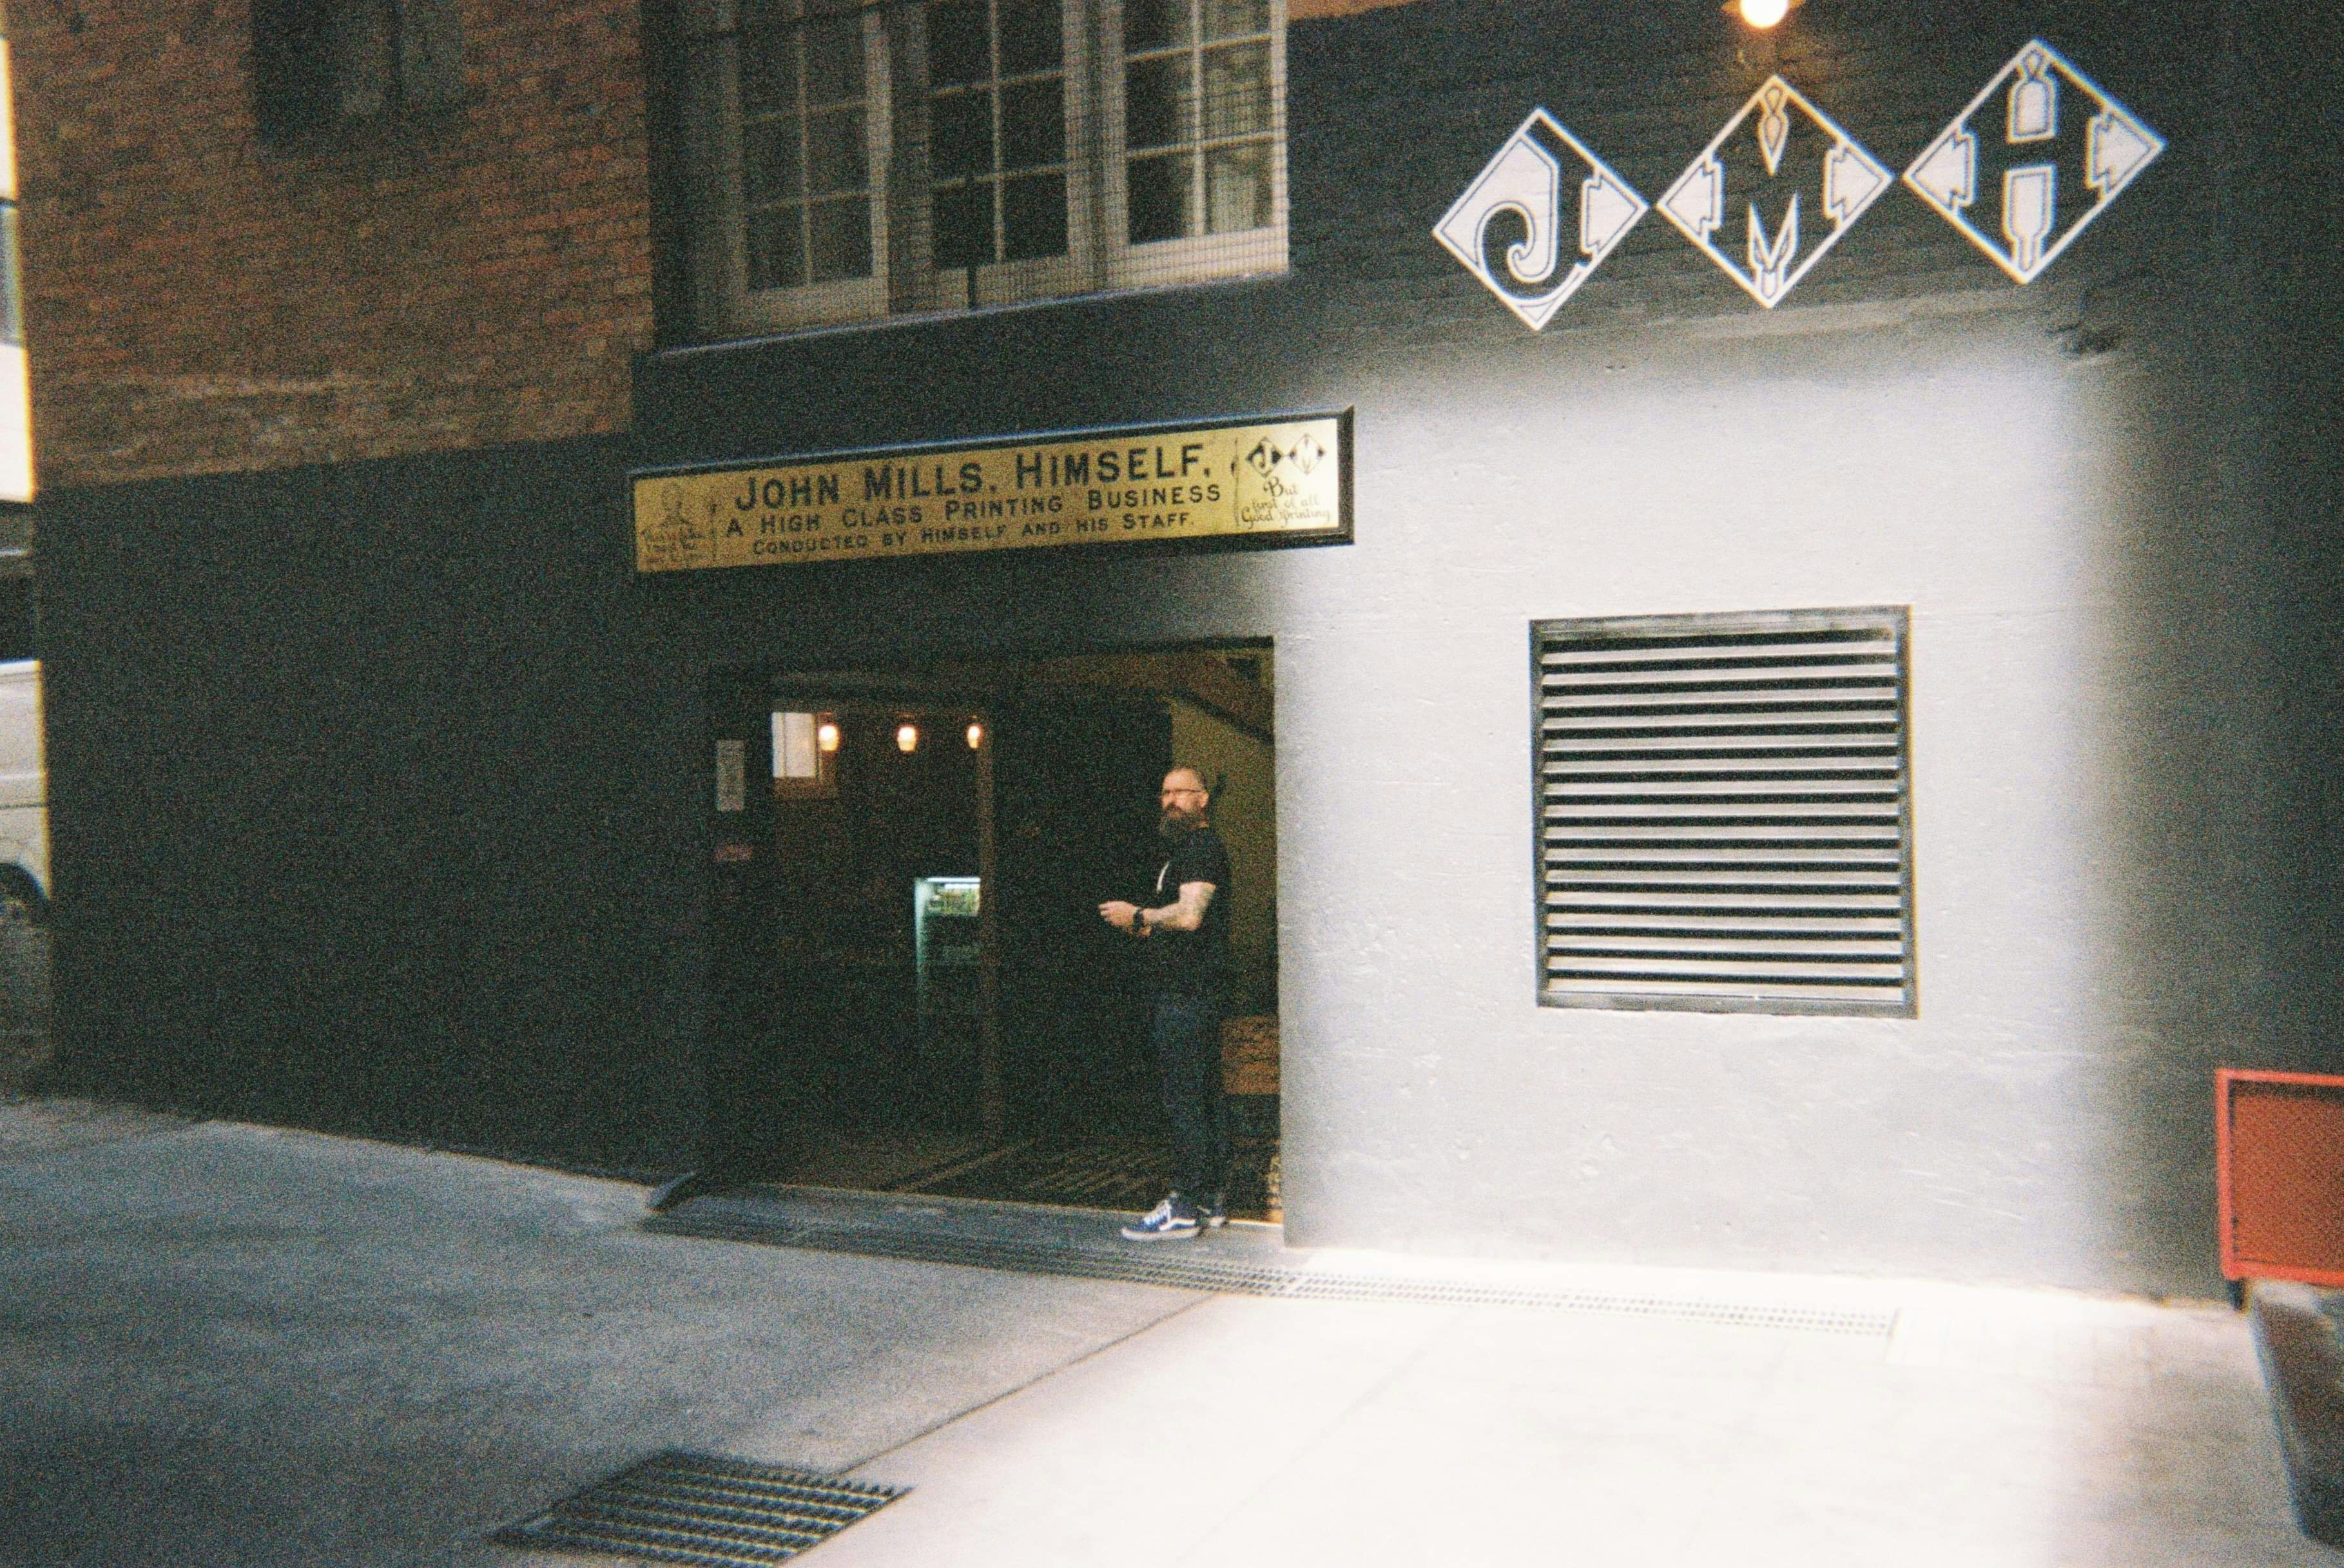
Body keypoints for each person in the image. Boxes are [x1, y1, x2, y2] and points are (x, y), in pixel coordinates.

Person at [1098, 766, 1232, 1241]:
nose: (1171, 800)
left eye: (1182, 792)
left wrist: (1138, 913)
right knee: (1200, 1095)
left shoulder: (1200, 849)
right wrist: (1143, 923)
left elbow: (1192, 915)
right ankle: (1210, 1196)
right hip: (1187, 991)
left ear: (1202, 800)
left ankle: (1185, 1203)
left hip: (1188, 994)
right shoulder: (1181, 853)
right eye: (1165, 792)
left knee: (1184, 1099)